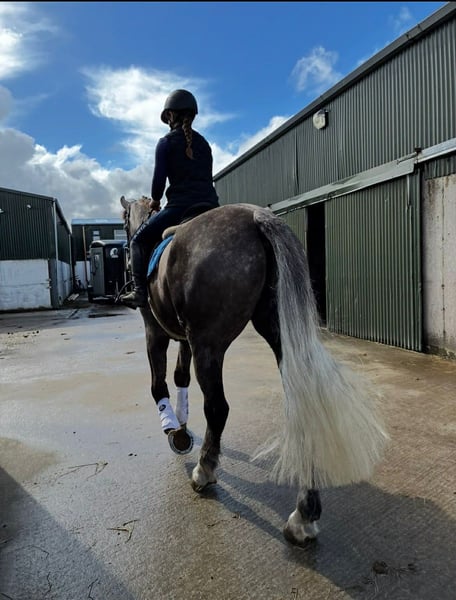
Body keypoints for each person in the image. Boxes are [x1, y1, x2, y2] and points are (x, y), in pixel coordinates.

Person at [120, 89, 220, 309]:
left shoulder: (165, 142)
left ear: (170, 115)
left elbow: (158, 183)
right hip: (211, 207)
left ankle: (139, 292)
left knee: (137, 241)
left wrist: (155, 201)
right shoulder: (205, 144)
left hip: (180, 208)